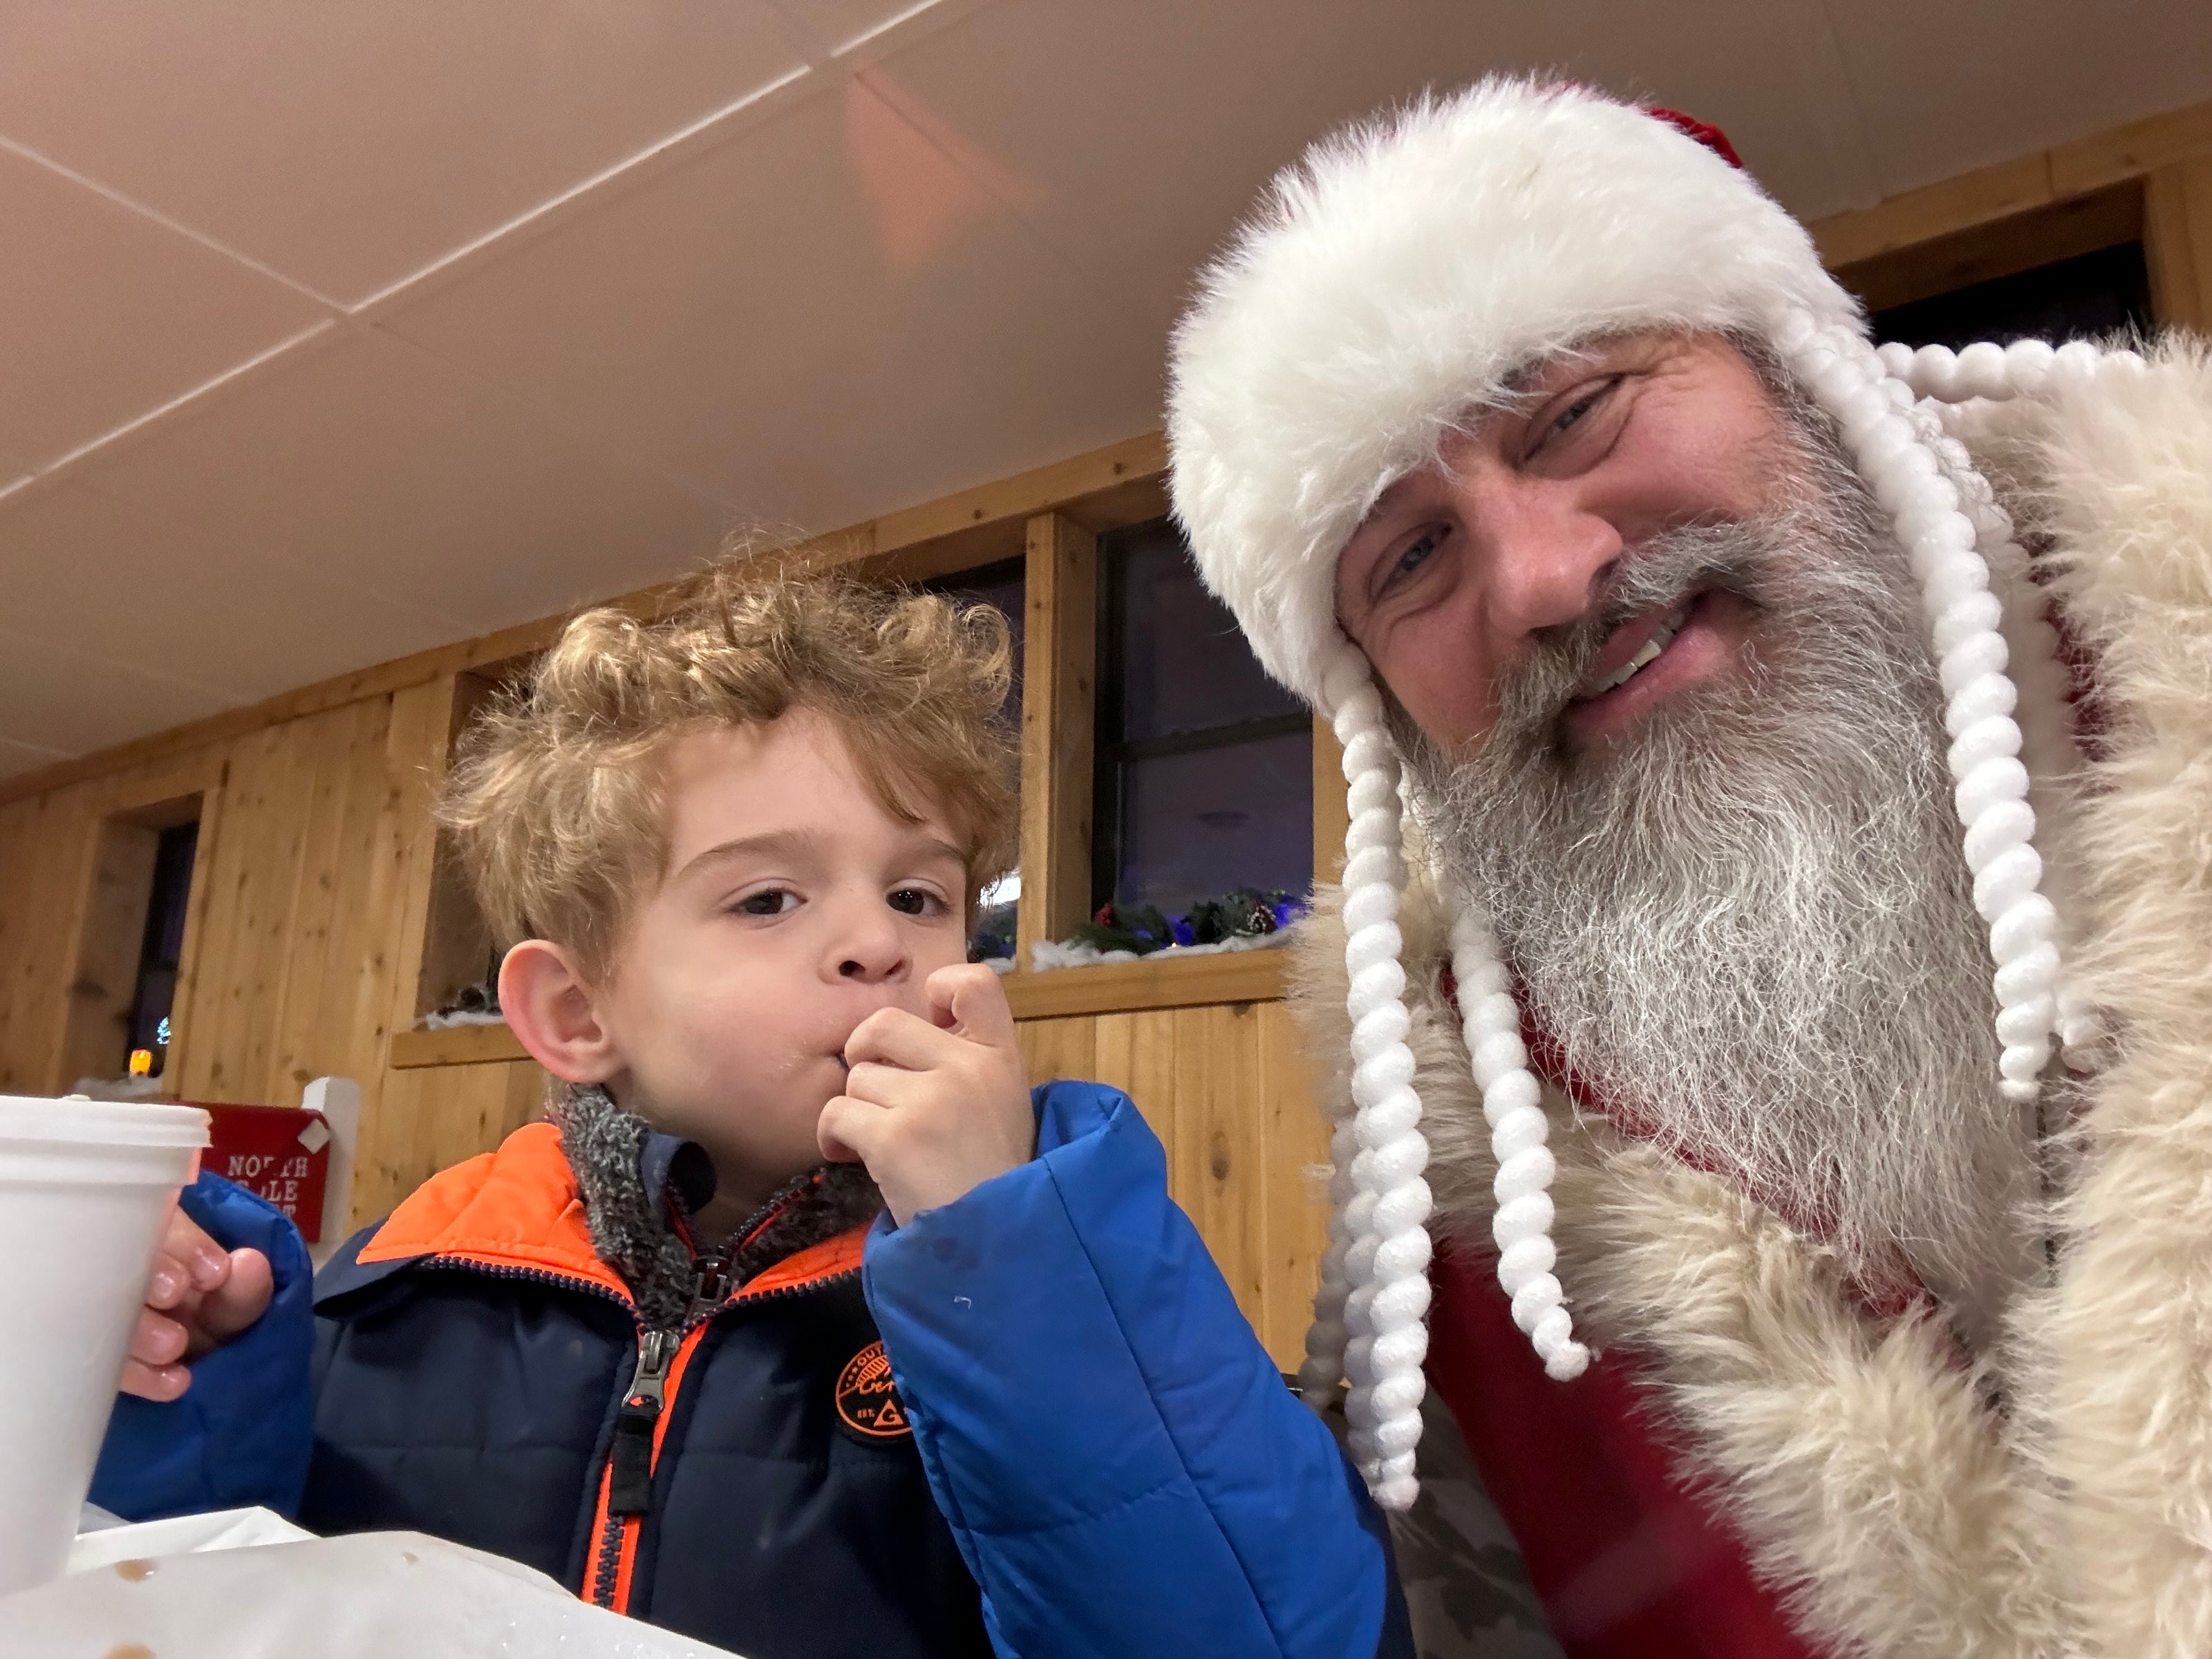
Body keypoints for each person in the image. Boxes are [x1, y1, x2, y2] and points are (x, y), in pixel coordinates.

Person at [1168, 75, 2212, 1659]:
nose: (1539, 576)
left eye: (1576, 411)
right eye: (1412, 558)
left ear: (1793, 371)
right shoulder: (1459, 1206)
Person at [93, 564, 1409, 1659]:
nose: (876, 947)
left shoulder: (1077, 1262)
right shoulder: (412, 1269)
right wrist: (198, 1383)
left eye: (918, 895)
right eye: (768, 898)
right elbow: (208, 1602)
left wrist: (1005, 1254)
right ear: (576, 1015)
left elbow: (1281, 1632)